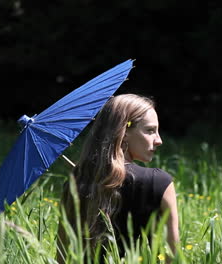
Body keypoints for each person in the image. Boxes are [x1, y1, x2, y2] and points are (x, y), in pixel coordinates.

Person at [57, 94, 179, 263]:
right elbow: (173, 256)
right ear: (124, 131)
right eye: (150, 130)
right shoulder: (159, 183)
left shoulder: (76, 184)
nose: (159, 140)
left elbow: (61, 257)